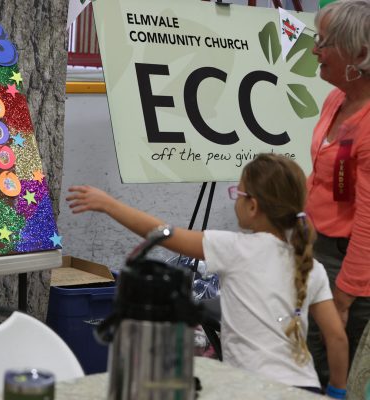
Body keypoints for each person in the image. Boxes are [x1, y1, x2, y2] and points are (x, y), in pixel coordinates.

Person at [67, 154, 348, 396]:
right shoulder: (311, 266)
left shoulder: (234, 248)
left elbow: (164, 234)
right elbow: (337, 338)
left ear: (252, 206)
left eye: (238, 194)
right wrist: (337, 392)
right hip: (305, 389)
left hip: (252, 388)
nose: (235, 201)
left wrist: (109, 204)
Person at [305, 0, 370, 388]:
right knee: (310, 355)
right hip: (320, 247)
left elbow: (368, 223)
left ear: (359, 54)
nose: (315, 50)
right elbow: (322, 177)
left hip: (350, 264)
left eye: (323, 42)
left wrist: (344, 296)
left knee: (331, 370)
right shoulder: (337, 99)